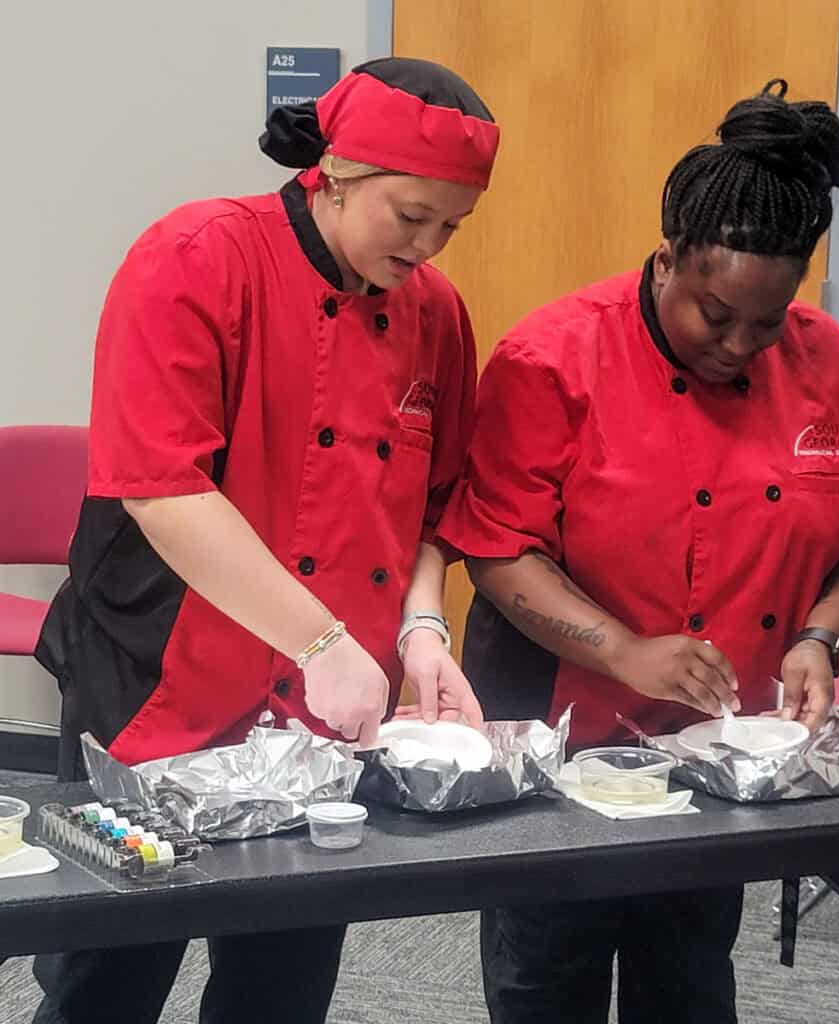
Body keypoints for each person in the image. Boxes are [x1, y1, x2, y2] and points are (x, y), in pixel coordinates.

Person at [32, 58, 498, 1024]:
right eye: (410, 216)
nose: (429, 245)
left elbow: (430, 511)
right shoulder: (196, 257)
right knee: (110, 970)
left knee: (284, 975)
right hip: (159, 681)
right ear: (336, 171)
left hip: (321, 710)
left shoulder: (438, 316)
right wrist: (322, 639)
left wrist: (421, 632)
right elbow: (163, 489)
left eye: (451, 224)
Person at [438, 80, 839, 1023]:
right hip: (559, 733)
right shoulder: (552, 361)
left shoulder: (831, 365)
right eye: (715, 314)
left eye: (766, 322)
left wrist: (818, 637)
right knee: (547, 978)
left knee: (689, 977)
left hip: (714, 747)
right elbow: (496, 550)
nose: (740, 343)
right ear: (665, 261)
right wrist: (623, 651)